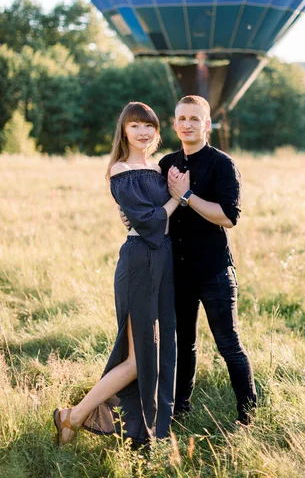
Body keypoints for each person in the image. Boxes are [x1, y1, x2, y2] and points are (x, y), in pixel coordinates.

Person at [53, 102, 188, 446]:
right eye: (135, 126)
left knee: (154, 353)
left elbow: (151, 215)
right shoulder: (120, 169)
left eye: (149, 126)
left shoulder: (159, 168)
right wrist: (178, 198)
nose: (143, 132)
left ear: (157, 132)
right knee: (137, 359)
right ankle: (75, 415)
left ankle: (90, 419)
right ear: (124, 132)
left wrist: (171, 196)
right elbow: (149, 221)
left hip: (163, 260)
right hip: (140, 259)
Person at [121, 95, 257, 425]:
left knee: (229, 343)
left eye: (194, 119)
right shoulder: (167, 164)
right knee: (184, 344)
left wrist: (186, 195)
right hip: (176, 272)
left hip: (214, 271)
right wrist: (138, 217)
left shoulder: (222, 164)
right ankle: (181, 408)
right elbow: (152, 210)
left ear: (206, 124)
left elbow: (227, 217)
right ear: (174, 124)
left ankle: (248, 411)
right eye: (182, 119)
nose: (187, 124)